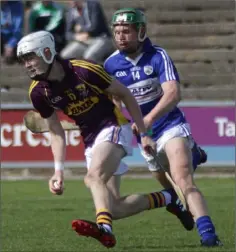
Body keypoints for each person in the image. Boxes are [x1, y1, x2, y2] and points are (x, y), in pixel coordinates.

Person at [17, 30, 195, 248]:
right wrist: (58, 170)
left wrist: (144, 132)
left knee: (93, 178)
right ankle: (170, 199)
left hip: (114, 126)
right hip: (91, 139)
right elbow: (55, 131)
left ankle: (105, 230)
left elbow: (125, 95)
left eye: (29, 57)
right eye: (23, 60)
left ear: (46, 52)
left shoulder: (84, 70)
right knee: (114, 208)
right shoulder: (38, 92)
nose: (26, 65)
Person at [104, 8, 222, 247]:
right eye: (117, 32)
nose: (121, 36)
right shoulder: (110, 64)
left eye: (126, 31)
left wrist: (147, 121)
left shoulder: (158, 55)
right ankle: (179, 196)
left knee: (183, 180)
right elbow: (114, 102)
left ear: (141, 31)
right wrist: (130, 125)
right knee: (169, 187)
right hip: (145, 136)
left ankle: (208, 236)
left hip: (170, 125)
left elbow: (173, 93)